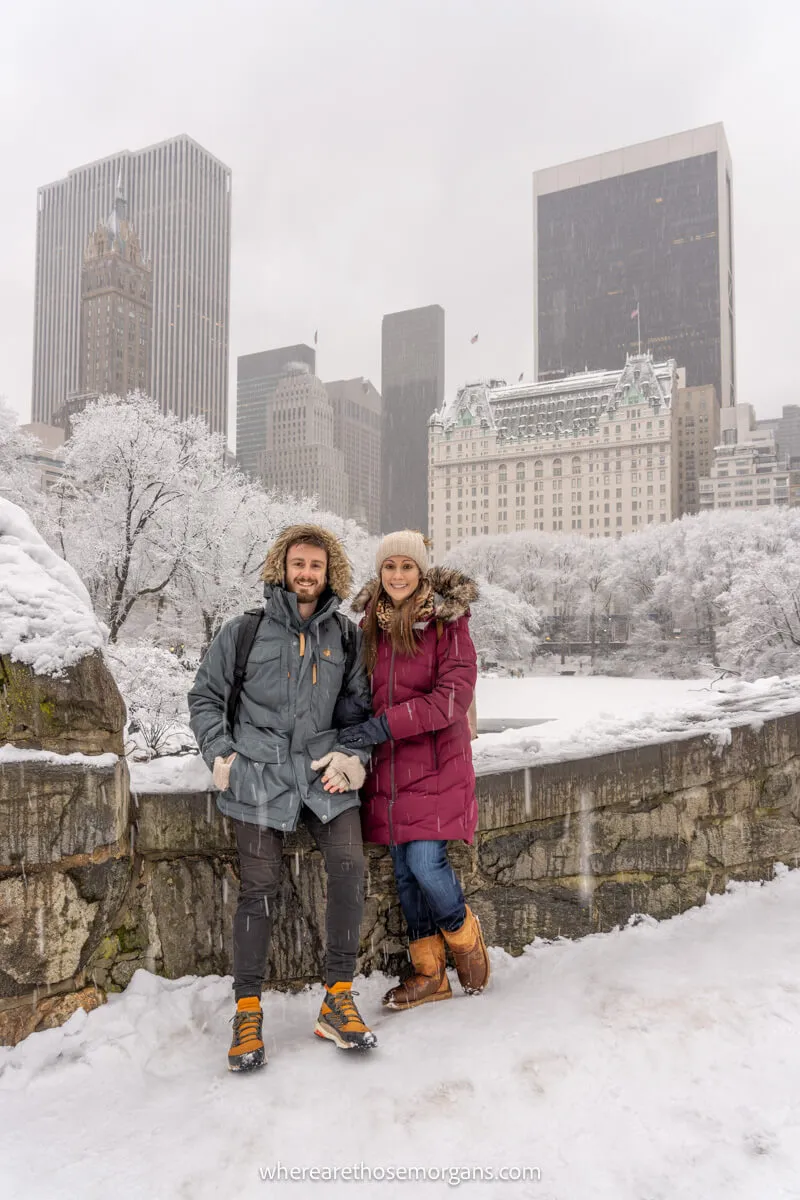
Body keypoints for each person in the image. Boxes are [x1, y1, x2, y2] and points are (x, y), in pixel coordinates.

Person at [188, 524, 377, 1072]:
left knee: (349, 869)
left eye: (316, 566)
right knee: (259, 890)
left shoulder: (345, 636)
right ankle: (247, 1009)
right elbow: (204, 696)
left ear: (328, 572)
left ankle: (338, 997)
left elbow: (357, 712)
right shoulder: (243, 632)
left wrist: (353, 756)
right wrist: (220, 755)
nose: (306, 573)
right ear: (282, 567)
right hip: (257, 779)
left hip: (324, 777)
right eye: (298, 563)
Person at [338, 530, 490, 1010]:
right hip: (389, 771)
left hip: (437, 764)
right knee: (405, 874)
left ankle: (464, 936)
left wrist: (382, 726)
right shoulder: (370, 626)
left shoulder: (448, 624)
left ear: (421, 571)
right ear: (380, 574)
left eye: (407, 566)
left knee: (426, 862)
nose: (398, 575)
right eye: (390, 567)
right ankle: (430, 973)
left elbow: (451, 698)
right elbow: (357, 692)